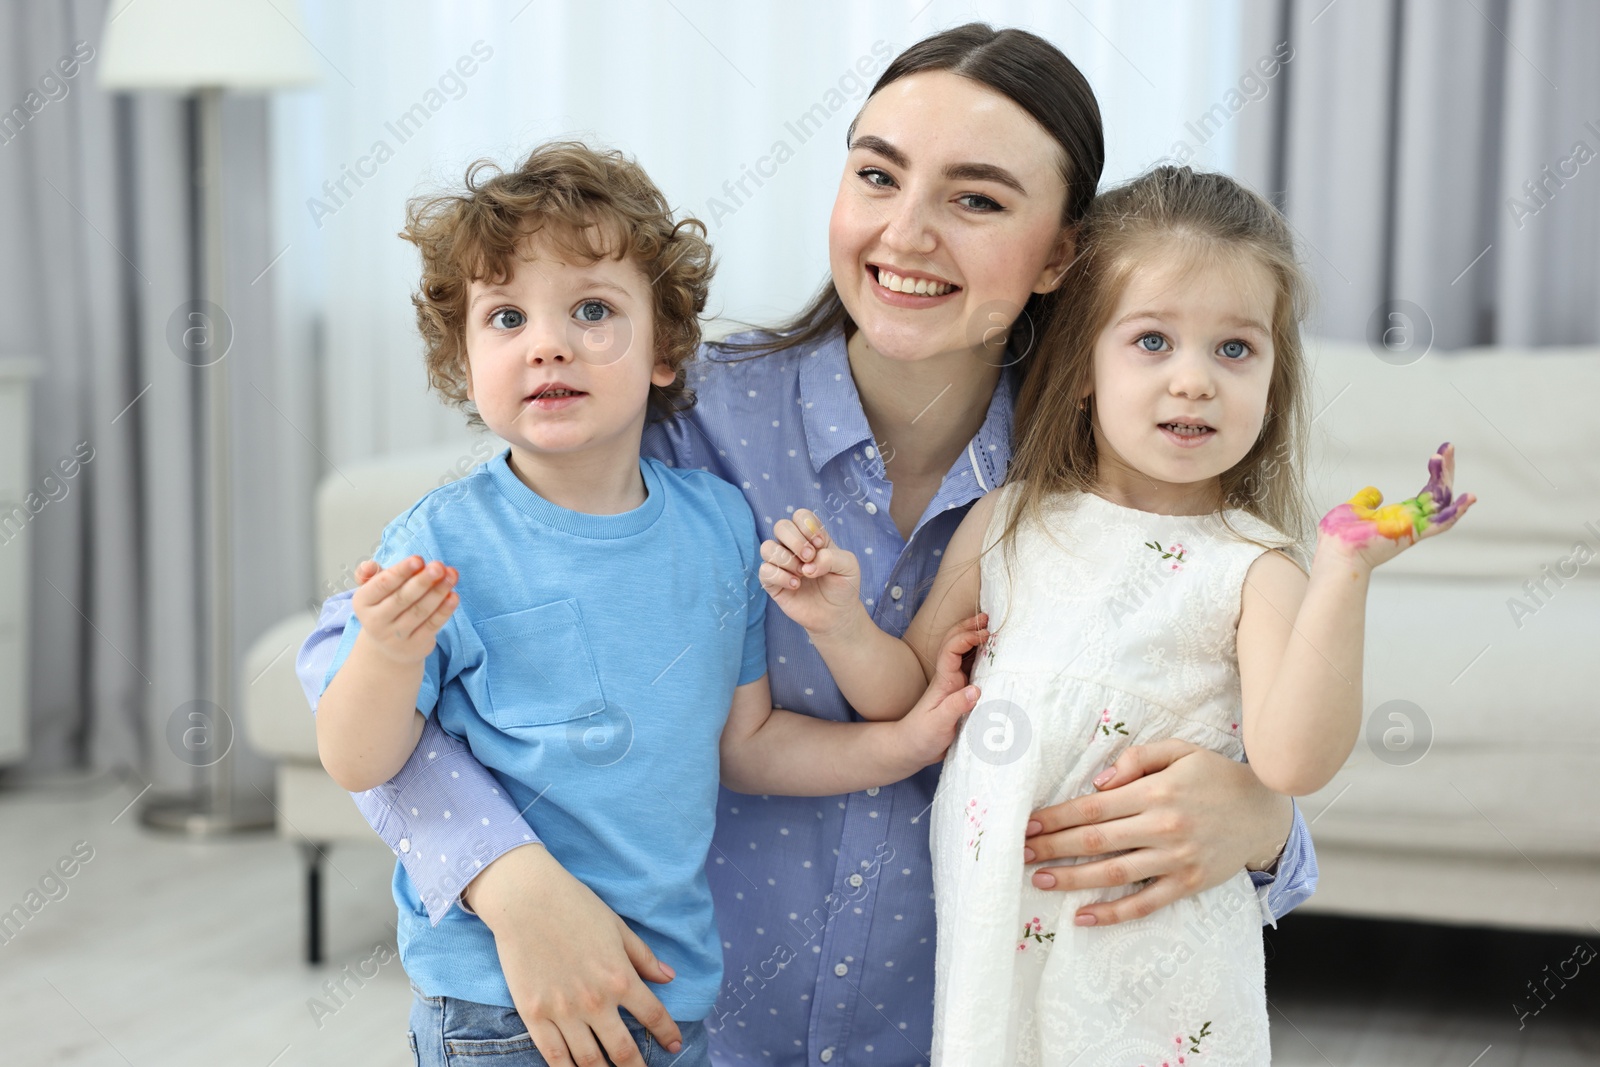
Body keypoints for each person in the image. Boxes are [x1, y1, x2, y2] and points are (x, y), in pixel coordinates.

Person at [297, 24, 1321, 1067]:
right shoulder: (670, 411)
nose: (907, 232)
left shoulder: (1109, 470)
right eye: (878, 175)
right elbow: (353, 669)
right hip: (666, 1024)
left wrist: (1265, 828)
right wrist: (507, 879)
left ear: (1061, 252)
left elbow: (1204, 695)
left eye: (975, 199)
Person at [756, 165, 1474, 1064]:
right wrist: (838, 622)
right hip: (993, 956)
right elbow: (903, 695)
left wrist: (1344, 573)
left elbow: (1296, 759)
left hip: (1155, 967)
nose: (1194, 382)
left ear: (1275, 379)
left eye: (1235, 350)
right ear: (1086, 364)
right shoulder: (1008, 521)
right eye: (1152, 342)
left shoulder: (1252, 567)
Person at [311, 140, 984, 1067]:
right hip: (502, 1005)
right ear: (466, 366)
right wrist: (384, 656)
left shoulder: (716, 528)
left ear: (665, 352)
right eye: (506, 317)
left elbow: (744, 744)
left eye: (592, 311)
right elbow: (357, 757)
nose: (548, 342)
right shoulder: (440, 544)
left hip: (673, 996)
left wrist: (902, 744)